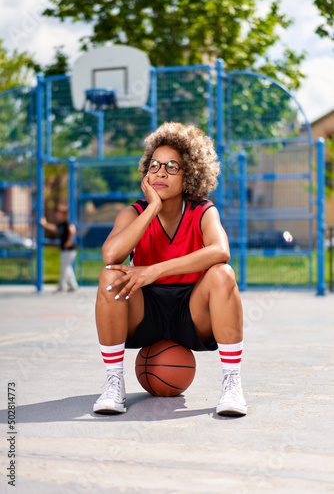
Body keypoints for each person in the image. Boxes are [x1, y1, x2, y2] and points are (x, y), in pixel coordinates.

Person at [94, 122, 247, 416]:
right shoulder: (133, 212)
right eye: (155, 165)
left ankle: (232, 383)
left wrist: (153, 270)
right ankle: (113, 383)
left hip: (192, 313)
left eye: (172, 167)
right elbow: (111, 255)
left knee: (223, 274)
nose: (161, 172)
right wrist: (152, 207)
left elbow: (220, 251)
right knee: (110, 276)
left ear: (189, 173)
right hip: (144, 314)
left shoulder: (203, 210)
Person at [39, 204, 78, 292]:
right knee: (67, 268)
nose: (56, 215)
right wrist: (45, 224)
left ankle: (62, 286)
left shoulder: (66, 223)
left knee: (65, 268)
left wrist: (69, 241)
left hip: (69, 250)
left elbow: (72, 230)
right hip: (65, 250)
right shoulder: (60, 224)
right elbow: (54, 229)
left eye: (58, 213)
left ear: (62, 214)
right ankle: (73, 285)